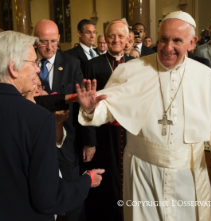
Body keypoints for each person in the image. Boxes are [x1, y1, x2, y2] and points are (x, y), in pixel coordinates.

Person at [77, 11, 211, 221]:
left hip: (189, 172)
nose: (168, 47)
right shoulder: (132, 70)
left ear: (192, 42)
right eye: (163, 39)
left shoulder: (206, 76)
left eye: (177, 40)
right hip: (143, 170)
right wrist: (90, 109)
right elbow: (107, 108)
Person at [0, 30, 104, 221]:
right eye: (33, 62)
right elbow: (49, 197)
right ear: (13, 68)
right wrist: (86, 180)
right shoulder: (37, 119)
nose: (38, 69)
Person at [34, 20, 97, 221]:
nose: (50, 47)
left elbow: (83, 104)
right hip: (34, 139)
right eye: (44, 42)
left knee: (72, 195)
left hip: (66, 139)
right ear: (35, 41)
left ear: (59, 38)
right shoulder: (25, 63)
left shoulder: (71, 63)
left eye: (53, 41)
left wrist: (89, 141)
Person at [81, 19, 134, 221]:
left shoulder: (135, 65)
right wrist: (89, 140)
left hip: (130, 131)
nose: (116, 40)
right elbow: (85, 105)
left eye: (121, 36)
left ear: (128, 38)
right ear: (105, 37)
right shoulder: (92, 65)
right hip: (103, 132)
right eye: (111, 36)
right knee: (106, 179)